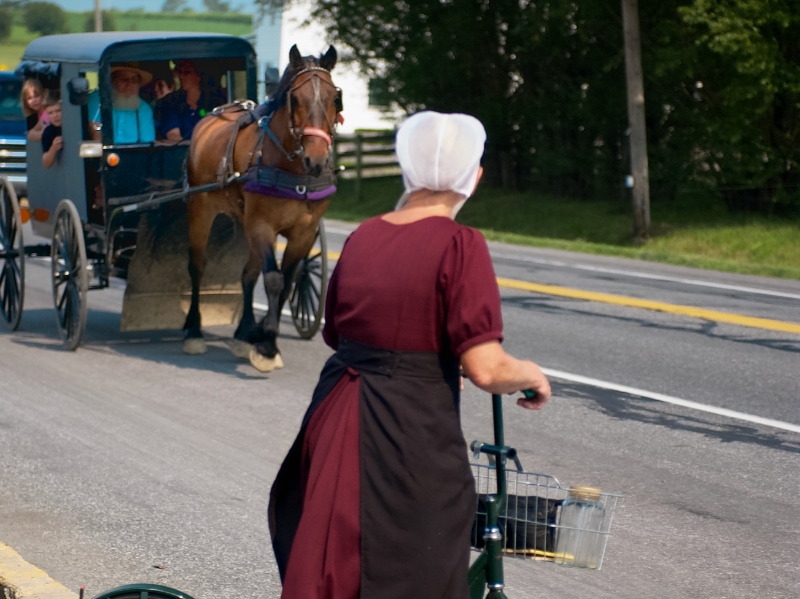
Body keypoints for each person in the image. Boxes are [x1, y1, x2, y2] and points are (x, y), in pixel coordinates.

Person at [268, 111, 552, 598]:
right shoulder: (461, 244)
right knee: (414, 558)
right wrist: (532, 375)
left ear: (406, 170)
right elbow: (487, 367)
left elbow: (338, 333)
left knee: (339, 559)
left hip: (337, 414)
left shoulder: (365, 235)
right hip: (405, 429)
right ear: (474, 177)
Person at [156, 59, 226, 141]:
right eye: (179, 72)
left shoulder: (215, 102)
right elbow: (173, 135)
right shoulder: (171, 101)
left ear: (199, 76)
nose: (181, 76)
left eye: (186, 72)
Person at [87, 62, 156, 144]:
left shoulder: (144, 109)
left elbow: (147, 143)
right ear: (112, 81)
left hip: (134, 155)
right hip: (105, 152)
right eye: (123, 79)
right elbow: (94, 129)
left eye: (134, 80)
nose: (129, 84)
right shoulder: (98, 99)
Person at [41, 90, 63, 169]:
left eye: (58, 111)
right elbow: (46, 163)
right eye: (50, 113)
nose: (55, 116)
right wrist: (53, 148)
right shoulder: (49, 132)